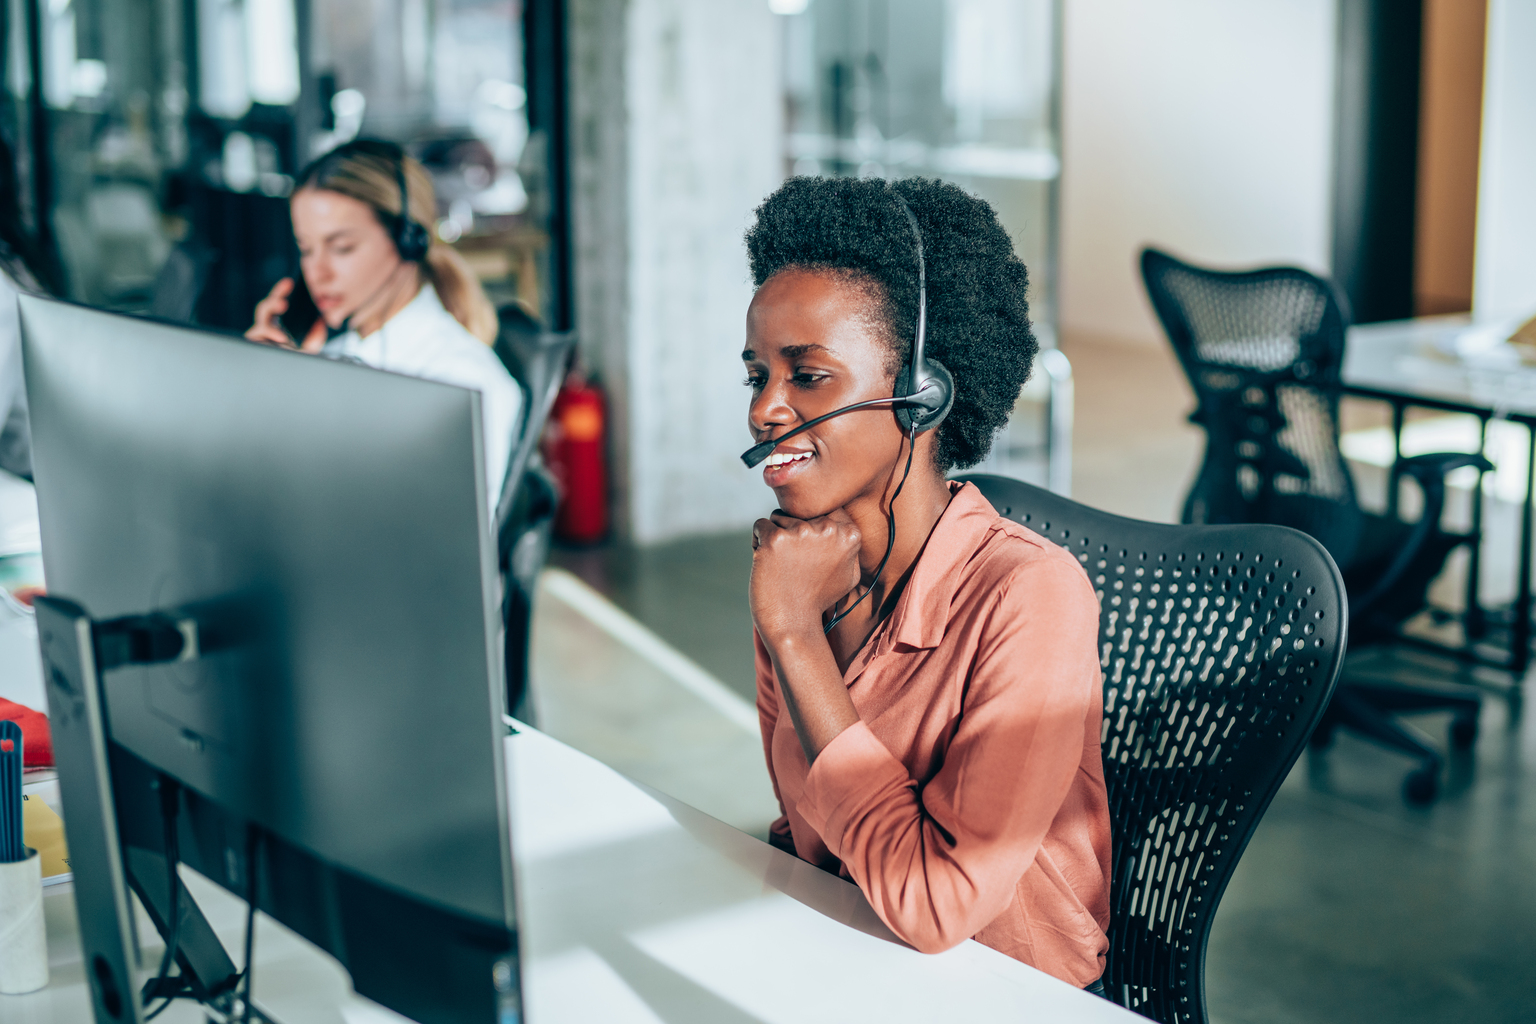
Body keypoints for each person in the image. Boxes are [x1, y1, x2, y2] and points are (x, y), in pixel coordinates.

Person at [743, 176, 1112, 992]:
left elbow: (936, 904)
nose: (766, 410)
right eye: (757, 376)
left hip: (1001, 992)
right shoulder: (801, 571)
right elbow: (810, 843)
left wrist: (797, 638)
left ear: (924, 395)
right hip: (852, 965)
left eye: (807, 377)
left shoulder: (1031, 596)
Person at [247, 140, 522, 513]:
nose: (317, 272)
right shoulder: (335, 354)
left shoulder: (463, 381)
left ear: (408, 239)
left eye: (341, 247)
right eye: (306, 249)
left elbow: (437, 546)